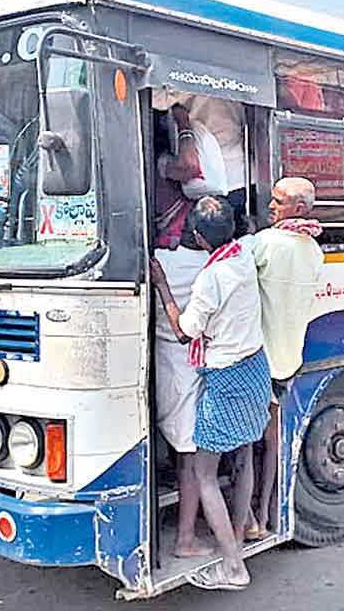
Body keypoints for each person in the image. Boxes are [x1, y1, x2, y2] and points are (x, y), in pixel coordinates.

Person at [151, 196, 271, 591]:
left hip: (225, 377)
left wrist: (162, 286)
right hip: (255, 368)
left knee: (204, 473)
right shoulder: (244, 254)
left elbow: (184, 332)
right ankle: (239, 533)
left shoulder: (211, 278)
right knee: (244, 454)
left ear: (199, 238)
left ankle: (234, 568)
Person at [246, 178, 324, 538]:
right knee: (272, 443)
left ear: (299, 208)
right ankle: (267, 514)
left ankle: (250, 519)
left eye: (278, 201)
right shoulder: (313, 250)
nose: (271, 205)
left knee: (246, 446)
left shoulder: (265, 243)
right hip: (288, 360)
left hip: (259, 360)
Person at [152, 221, 211, 558]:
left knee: (177, 448)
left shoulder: (159, 258)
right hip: (188, 369)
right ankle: (185, 540)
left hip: (161, 365)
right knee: (191, 461)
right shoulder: (211, 267)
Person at [154, 91, 249, 235]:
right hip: (241, 179)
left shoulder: (184, 87)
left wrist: (164, 168)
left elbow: (155, 98)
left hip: (212, 187)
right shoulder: (233, 84)